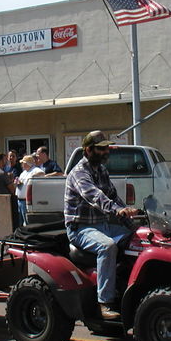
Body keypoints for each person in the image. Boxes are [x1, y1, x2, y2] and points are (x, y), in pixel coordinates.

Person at [65, 130, 139, 320]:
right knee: (107, 247)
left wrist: (133, 222)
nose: (107, 151)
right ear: (88, 150)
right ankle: (104, 303)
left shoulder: (102, 170)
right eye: (101, 149)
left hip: (102, 225)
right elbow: (94, 196)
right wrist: (116, 210)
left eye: (107, 148)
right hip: (80, 228)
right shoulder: (79, 173)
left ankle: (126, 286)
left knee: (139, 239)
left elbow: (114, 197)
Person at [15, 154, 44, 225]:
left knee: (26, 222)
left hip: (25, 201)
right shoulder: (23, 172)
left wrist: (32, 176)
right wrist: (17, 182)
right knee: (21, 221)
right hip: (20, 200)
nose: (22, 164)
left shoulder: (35, 170)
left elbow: (42, 173)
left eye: (23, 163)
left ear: (28, 163)